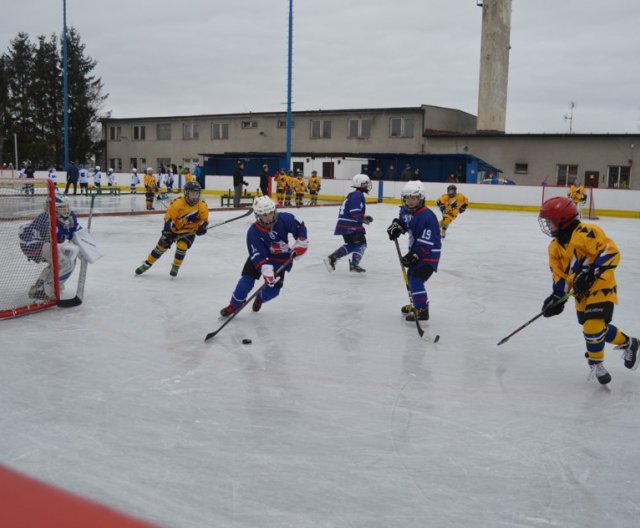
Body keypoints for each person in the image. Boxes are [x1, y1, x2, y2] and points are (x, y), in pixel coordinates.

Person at [538, 196, 638, 384]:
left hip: (602, 286)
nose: (547, 225)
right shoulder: (554, 248)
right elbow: (560, 275)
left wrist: (591, 273)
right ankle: (629, 342)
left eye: (550, 221)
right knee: (596, 328)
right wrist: (557, 297)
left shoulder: (587, 232)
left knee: (592, 327)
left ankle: (595, 363)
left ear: (563, 220)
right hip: (581, 294)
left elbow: (611, 252)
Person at [219, 196, 308, 316]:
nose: (268, 217)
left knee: (273, 292)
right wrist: (265, 269)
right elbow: (256, 254)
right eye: (264, 215)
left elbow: (300, 227)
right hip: (259, 259)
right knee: (245, 282)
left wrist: (301, 243)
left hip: (279, 259)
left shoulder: (285, 219)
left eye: (270, 213)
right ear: (257, 215)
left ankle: (260, 298)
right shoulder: (253, 231)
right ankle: (234, 305)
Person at [386, 180, 442, 321]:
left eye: (414, 198)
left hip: (429, 254)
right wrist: (397, 227)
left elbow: (426, 241)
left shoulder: (427, 216)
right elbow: (405, 223)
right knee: (412, 277)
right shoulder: (405, 210)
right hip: (418, 252)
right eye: (407, 198)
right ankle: (417, 304)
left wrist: (414, 255)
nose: (410, 201)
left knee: (416, 278)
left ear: (420, 198)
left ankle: (422, 310)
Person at [135, 181, 209, 278]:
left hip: (189, 230)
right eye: (192, 193)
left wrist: (202, 228)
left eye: (197, 193)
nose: (195, 196)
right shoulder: (177, 203)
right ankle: (147, 263)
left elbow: (204, 220)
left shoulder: (202, 206)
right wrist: (167, 231)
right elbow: (168, 219)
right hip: (174, 229)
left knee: (182, 246)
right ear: (186, 193)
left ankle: (176, 266)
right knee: (161, 247)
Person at [19, 194, 81, 300]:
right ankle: (47, 290)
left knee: (62, 261)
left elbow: (75, 231)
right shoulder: (47, 219)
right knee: (66, 262)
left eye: (66, 206)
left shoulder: (69, 216)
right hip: (33, 245)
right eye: (61, 207)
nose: (65, 209)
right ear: (53, 208)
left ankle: (38, 287)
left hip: (45, 244)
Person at [324, 174, 373, 273]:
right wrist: (361, 219)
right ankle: (354, 265)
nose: (368, 186)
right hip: (351, 225)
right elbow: (354, 211)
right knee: (362, 244)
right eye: (366, 184)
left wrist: (364, 217)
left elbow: (353, 211)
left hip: (345, 224)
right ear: (361, 184)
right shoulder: (357, 195)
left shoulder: (353, 194)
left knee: (352, 244)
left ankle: (332, 258)